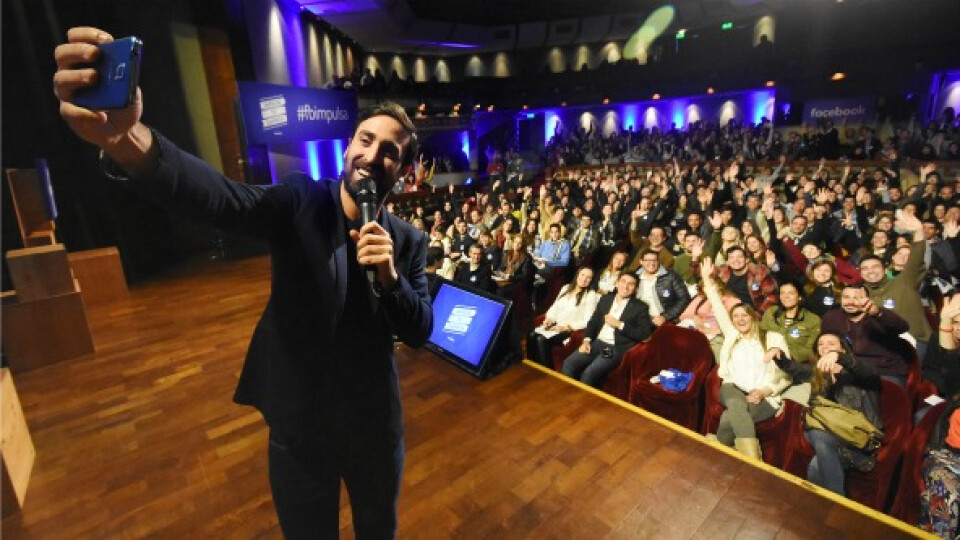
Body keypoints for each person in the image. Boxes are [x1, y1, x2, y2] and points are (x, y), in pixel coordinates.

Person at [54, 27, 433, 538]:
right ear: (348, 146)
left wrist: (389, 278)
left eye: (390, 151)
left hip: (374, 430)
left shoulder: (408, 242)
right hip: (301, 431)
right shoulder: (302, 201)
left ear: (403, 171)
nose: (372, 154)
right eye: (366, 139)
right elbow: (224, 199)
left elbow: (419, 330)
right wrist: (128, 141)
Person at [701, 258, 792, 459]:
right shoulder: (732, 335)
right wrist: (707, 280)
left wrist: (765, 391)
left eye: (745, 315)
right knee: (735, 403)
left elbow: (787, 374)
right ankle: (754, 461)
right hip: (733, 387)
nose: (740, 319)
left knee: (729, 418)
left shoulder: (773, 338)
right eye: (736, 317)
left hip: (765, 396)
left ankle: (720, 447)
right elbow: (717, 305)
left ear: (753, 317)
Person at [772, 332, 882, 496]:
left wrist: (839, 357)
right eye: (821, 344)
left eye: (831, 344)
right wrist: (779, 356)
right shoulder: (817, 372)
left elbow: (870, 373)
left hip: (853, 436)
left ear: (843, 348)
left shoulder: (859, 373)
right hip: (823, 431)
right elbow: (794, 368)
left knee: (815, 465)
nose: (825, 347)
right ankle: (838, 502)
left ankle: (823, 505)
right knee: (817, 433)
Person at [561, 273, 654, 388]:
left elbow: (645, 335)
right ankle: (566, 395)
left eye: (631, 284)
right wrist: (586, 341)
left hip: (613, 348)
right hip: (597, 343)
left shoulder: (640, 307)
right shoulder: (606, 299)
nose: (625, 287)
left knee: (589, 373)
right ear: (617, 283)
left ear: (636, 288)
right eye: (623, 281)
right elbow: (593, 322)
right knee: (569, 363)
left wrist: (620, 325)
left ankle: (582, 399)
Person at [527, 267, 599, 367]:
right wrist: (549, 319)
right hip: (555, 325)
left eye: (588, 277)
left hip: (569, 329)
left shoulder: (590, 295)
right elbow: (555, 307)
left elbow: (588, 320)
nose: (584, 279)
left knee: (541, 340)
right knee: (531, 336)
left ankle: (547, 371)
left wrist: (566, 327)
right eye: (582, 275)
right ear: (577, 275)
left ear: (591, 281)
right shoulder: (566, 288)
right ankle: (531, 367)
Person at [635, 249, 691, 326]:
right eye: (648, 260)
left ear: (658, 261)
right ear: (641, 262)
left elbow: (684, 298)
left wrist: (665, 316)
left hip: (663, 320)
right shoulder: (635, 277)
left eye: (654, 260)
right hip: (640, 319)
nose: (652, 263)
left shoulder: (670, 276)